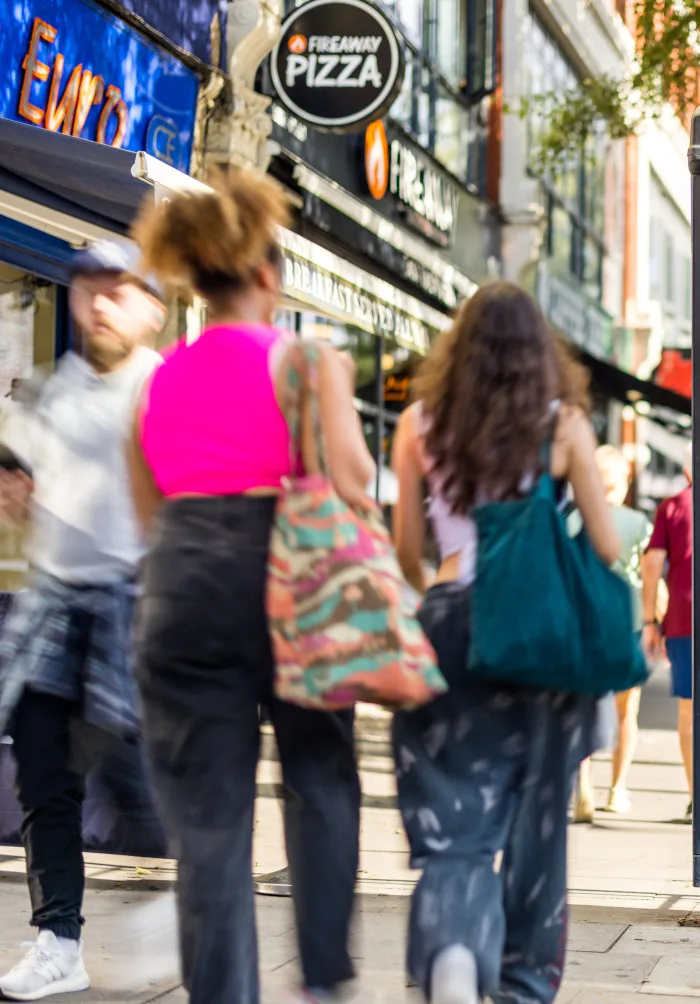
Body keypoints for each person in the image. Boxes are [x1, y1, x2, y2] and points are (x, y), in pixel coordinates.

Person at [127, 169, 372, 1003]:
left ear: (200, 278)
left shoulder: (159, 377)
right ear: (268, 277)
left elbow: (149, 507)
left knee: (208, 823)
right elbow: (353, 479)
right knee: (320, 775)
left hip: (184, 583)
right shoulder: (306, 361)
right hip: (291, 578)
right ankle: (323, 979)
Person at [389, 280, 618, 1004]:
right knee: (539, 818)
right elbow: (608, 545)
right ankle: (521, 984)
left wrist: (437, 592)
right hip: (537, 631)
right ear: (538, 350)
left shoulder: (419, 423)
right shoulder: (565, 427)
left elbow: (407, 549)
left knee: (453, 810)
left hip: (449, 616)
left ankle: (454, 949)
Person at [0, 241, 168, 999]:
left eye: (117, 290)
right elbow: (29, 494)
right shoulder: (52, 388)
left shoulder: (162, 389)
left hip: (132, 606)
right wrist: (22, 501)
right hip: (52, 608)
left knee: (133, 774)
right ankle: (58, 941)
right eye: (88, 287)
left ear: (151, 309)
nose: (99, 303)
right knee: (44, 772)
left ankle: (184, 904)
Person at [574, 445, 653, 820]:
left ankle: (581, 785)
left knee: (582, 706)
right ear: (623, 481)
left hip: (585, 621)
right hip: (627, 621)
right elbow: (649, 571)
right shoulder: (637, 523)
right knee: (626, 710)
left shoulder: (575, 519)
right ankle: (617, 790)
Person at [641, 464, 692, 822]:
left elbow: (652, 565)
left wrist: (650, 620)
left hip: (685, 616)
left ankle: (696, 796)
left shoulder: (672, 506)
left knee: (690, 708)